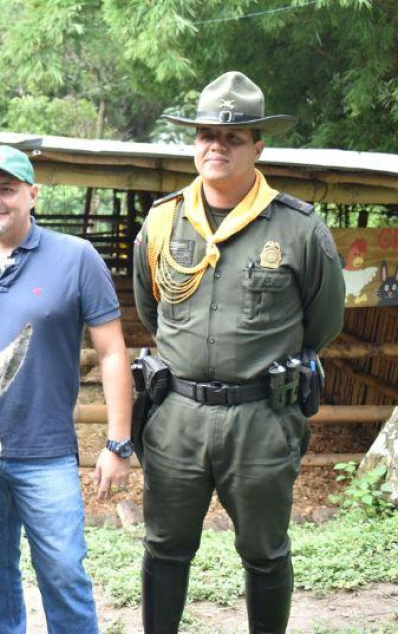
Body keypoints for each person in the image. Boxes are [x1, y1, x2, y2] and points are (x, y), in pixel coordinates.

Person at [133, 71, 346, 633]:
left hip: (261, 417)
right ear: (194, 142)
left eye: (234, 136)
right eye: (206, 134)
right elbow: (151, 311)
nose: (216, 146)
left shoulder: (299, 229)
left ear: (258, 146)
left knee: (265, 552)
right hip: (176, 416)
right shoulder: (161, 222)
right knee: (165, 548)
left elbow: (321, 325)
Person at [0, 145, 133, 633]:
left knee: (63, 571)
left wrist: (118, 443)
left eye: (7, 190)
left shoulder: (75, 258)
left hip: (45, 450)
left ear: (33, 195)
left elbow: (114, 353)